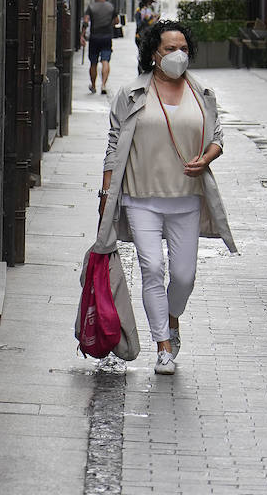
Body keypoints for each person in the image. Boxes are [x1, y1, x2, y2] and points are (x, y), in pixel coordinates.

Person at [96, 19, 236, 375]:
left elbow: (217, 135)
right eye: (170, 49)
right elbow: (114, 146)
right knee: (152, 269)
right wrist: (106, 192)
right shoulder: (131, 94)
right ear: (153, 54)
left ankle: (172, 319)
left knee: (185, 276)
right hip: (140, 196)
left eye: (184, 49)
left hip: (186, 197)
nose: (178, 55)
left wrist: (207, 157)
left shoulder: (202, 93)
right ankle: (162, 346)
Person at [83, 0, 118, 95]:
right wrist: (109, 24)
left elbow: (85, 21)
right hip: (107, 37)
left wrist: (82, 36)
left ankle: (93, 85)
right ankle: (103, 84)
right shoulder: (110, 7)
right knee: (105, 60)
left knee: (93, 62)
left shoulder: (91, 7)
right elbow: (117, 21)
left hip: (94, 37)